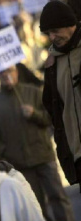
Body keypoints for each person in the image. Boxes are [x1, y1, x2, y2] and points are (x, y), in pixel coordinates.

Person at [0, 65, 80, 221]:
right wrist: (3, 151)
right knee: (35, 205)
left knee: (57, 196)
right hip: (19, 164)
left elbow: (51, 118)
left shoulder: (34, 92)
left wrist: (34, 114)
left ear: (16, 72)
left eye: (10, 71)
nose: (7, 75)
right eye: (2, 73)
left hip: (43, 155)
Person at [41, 1, 81, 192]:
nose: (52, 37)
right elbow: (51, 107)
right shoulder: (52, 63)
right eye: (48, 33)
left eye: (55, 30)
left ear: (70, 24)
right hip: (77, 155)